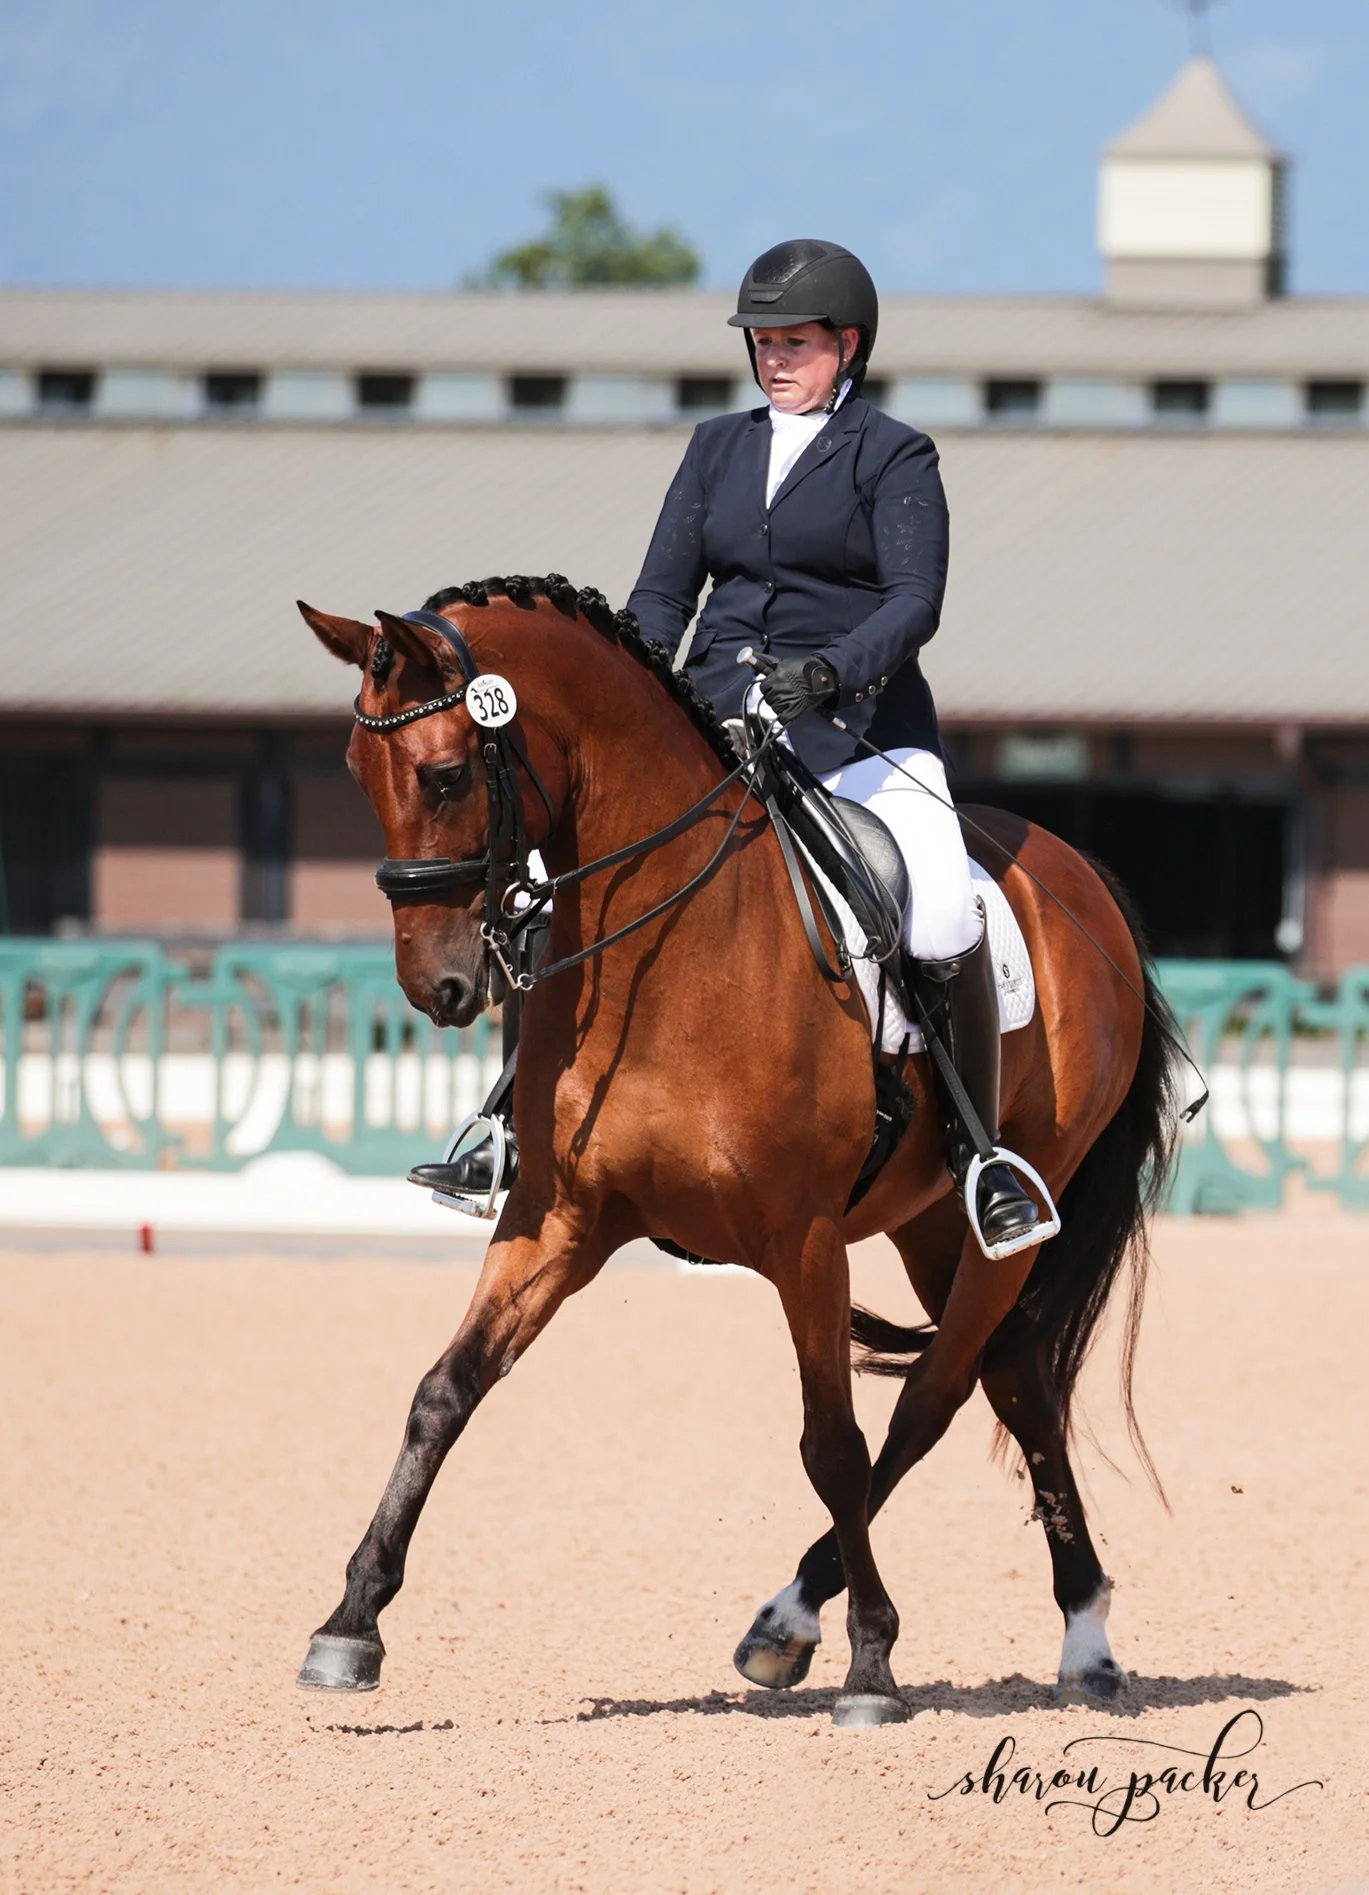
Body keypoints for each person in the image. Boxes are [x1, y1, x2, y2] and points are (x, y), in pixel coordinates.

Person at [413, 237, 1044, 1252]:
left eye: (794, 341)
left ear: (848, 345)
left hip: (858, 728)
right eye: (761, 341)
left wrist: (828, 672)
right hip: (713, 727)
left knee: (934, 901)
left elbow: (913, 600)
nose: (772, 358)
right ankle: (506, 1124)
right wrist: (639, 694)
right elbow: (664, 593)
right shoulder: (715, 448)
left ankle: (978, 1153)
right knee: (560, 890)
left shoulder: (893, 454)